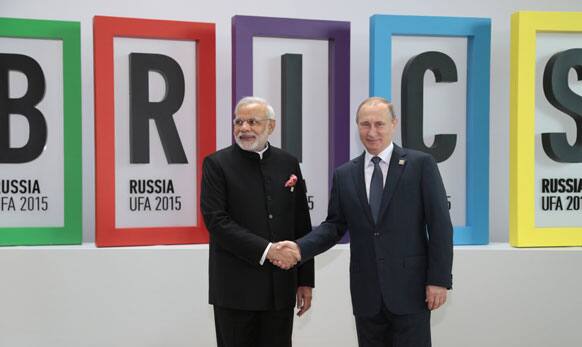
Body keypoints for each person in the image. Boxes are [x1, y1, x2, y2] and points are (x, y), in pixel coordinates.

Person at [272, 97, 453, 347]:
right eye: (365, 124)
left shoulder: (420, 165)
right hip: (367, 294)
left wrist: (439, 280)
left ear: (394, 124)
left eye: (379, 124)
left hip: (411, 291)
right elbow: (333, 226)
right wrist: (300, 248)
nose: (372, 132)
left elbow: (440, 226)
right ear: (357, 126)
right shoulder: (345, 174)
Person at [200, 96, 314, 347]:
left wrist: (305, 279)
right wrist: (268, 250)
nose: (244, 128)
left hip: (280, 290)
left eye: (253, 122)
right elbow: (217, 222)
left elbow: (300, 222)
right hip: (235, 292)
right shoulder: (216, 164)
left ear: (271, 126)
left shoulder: (288, 162)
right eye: (238, 122)